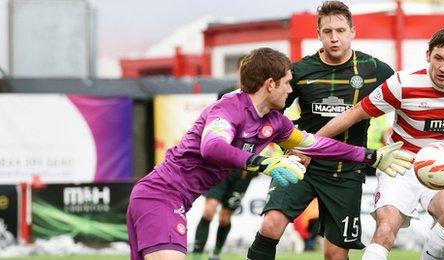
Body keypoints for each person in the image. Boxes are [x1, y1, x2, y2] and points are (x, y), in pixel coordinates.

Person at [126, 47, 409, 260]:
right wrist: (263, 163)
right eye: (287, 82)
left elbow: (316, 144)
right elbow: (211, 147)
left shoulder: (274, 122)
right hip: (159, 196)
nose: (291, 88)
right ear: (270, 83)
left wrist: (370, 156)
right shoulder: (228, 109)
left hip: (170, 200)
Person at [317, 28, 444, 260]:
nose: (443, 67)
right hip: (401, 166)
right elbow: (355, 113)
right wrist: (313, 143)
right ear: (428, 55)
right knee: (385, 230)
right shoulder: (402, 84)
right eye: (438, 58)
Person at [246, 1, 395, 260]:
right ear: (318, 34)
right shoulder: (299, 71)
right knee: (270, 225)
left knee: (335, 255)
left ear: (352, 31)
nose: (334, 38)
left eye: (340, 30)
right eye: (327, 32)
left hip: (346, 171)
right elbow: (272, 114)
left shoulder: (375, 70)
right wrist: (285, 148)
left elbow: (406, 98)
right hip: (302, 165)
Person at [192, 55, 257, 260]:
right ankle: (196, 255)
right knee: (209, 210)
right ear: (238, 72)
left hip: (243, 170)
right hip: (221, 165)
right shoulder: (225, 95)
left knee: (225, 217)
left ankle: (216, 255)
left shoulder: (260, 99)